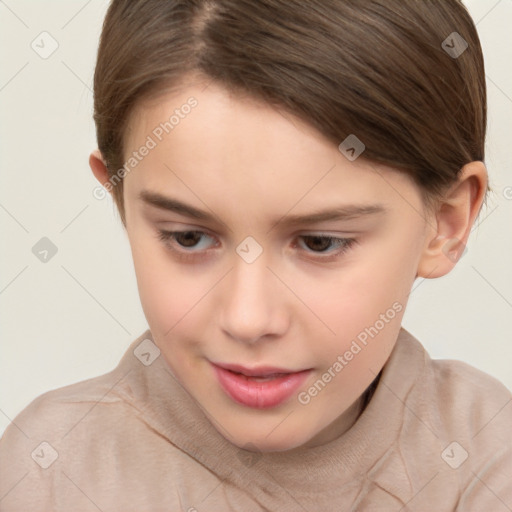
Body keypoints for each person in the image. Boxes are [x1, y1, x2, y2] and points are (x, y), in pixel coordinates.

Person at [1, 0, 510, 510]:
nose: (247, 319)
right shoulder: (50, 474)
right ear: (119, 198)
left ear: (445, 223)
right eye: (188, 237)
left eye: (320, 243)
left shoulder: (489, 455)